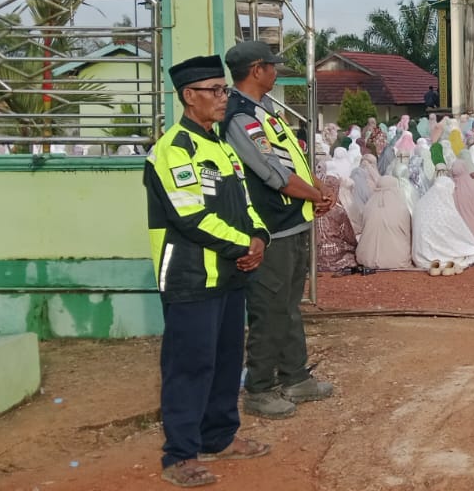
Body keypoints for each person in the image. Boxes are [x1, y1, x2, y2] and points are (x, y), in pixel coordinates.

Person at [144, 55, 271, 487]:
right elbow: (190, 216)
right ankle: (179, 455)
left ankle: (219, 435)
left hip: (229, 274)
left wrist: (259, 238)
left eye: (223, 90)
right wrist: (244, 245)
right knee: (189, 365)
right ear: (188, 96)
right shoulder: (172, 150)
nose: (223, 98)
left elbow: (246, 205)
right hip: (190, 278)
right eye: (214, 91)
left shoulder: (221, 147)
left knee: (224, 360)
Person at [222, 41, 336, 420]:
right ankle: (259, 388)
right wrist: (315, 192)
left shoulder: (264, 112)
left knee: (288, 308)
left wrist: (315, 192)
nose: (276, 71)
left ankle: (295, 376)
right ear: (256, 70)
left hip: (293, 222)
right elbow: (272, 173)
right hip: (270, 229)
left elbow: (292, 162)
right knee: (268, 311)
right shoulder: (240, 117)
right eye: (271, 66)